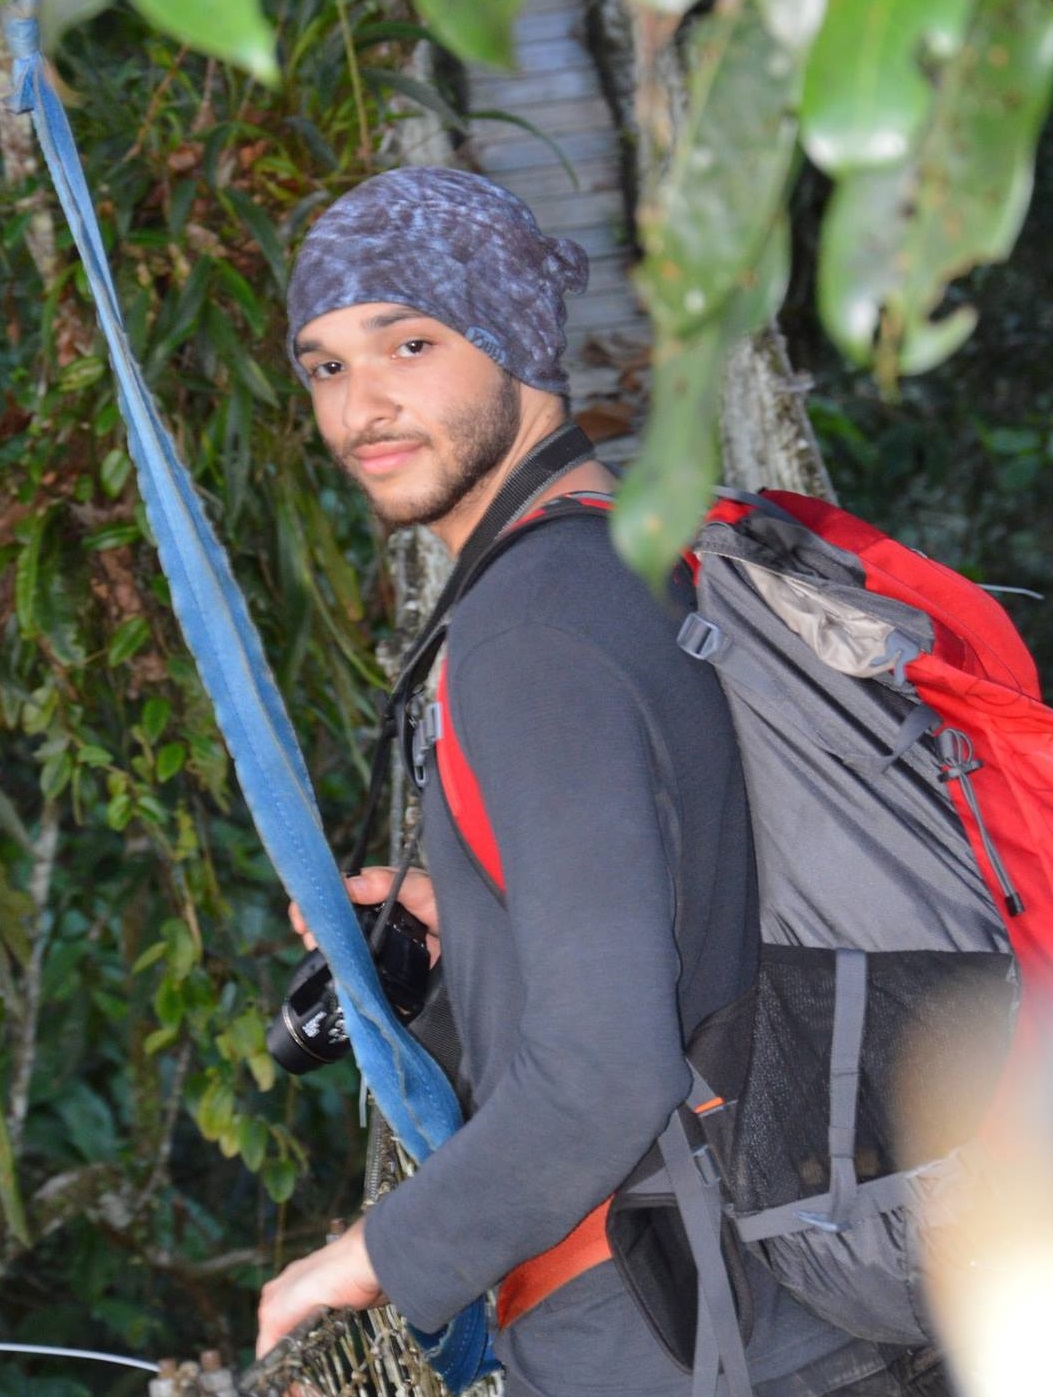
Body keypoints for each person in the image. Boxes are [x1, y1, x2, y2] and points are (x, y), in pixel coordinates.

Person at [254, 166, 923, 1397]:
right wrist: (478, 927)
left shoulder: (530, 630)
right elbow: (702, 884)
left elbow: (607, 1071)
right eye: (325, 365)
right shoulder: (632, 553)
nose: (362, 405)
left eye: (410, 341)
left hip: (683, 1328)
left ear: (515, 343)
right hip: (801, 1287)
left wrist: (361, 1261)